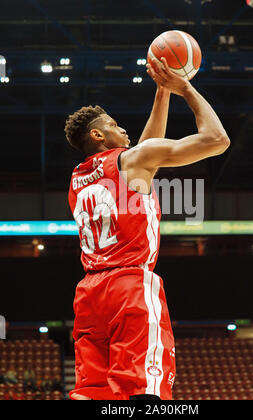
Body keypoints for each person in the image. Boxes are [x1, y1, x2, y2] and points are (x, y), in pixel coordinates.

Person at [64, 57, 230, 401]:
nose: (123, 129)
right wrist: (183, 87)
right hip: (129, 285)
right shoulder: (133, 160)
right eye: (114, 125)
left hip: (90, 295)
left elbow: (142, 152)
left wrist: (161, 93)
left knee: (94, 393)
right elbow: (217, 139)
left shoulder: (78, 177)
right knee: (143, 390)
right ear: (98, 134)